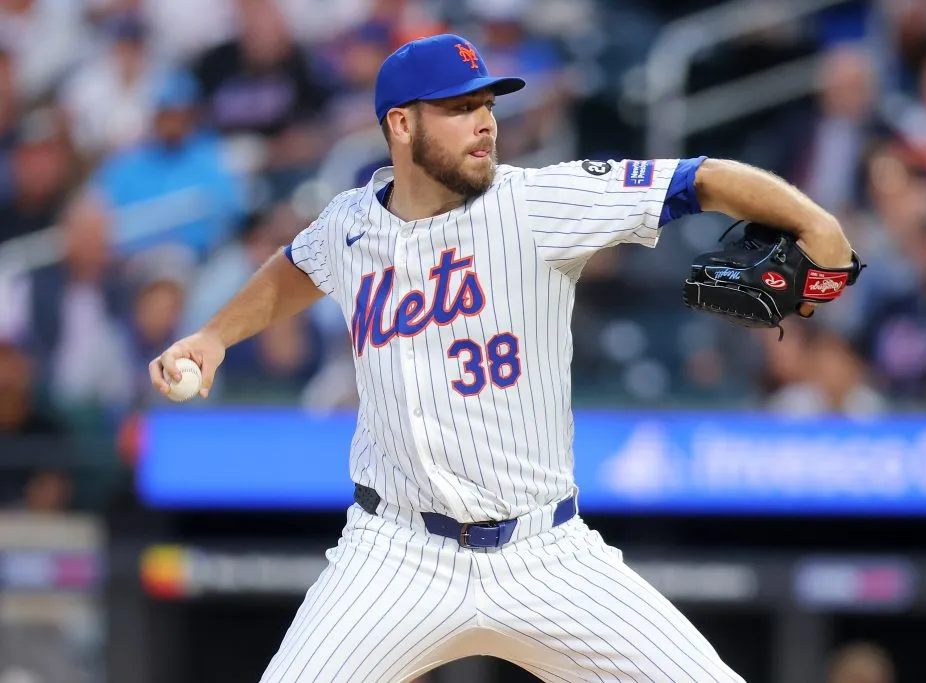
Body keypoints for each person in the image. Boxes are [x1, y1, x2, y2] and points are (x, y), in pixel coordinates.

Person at [149, 33, 855, 683]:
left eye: (487, 104)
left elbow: (697, 178)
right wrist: (214, 336)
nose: (485, 121)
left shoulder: (536, 203)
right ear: (402, 124)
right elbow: (294, 267)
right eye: (460, 108)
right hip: (395, 553)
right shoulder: (349, 223)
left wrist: (815, 222)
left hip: (545, 552)